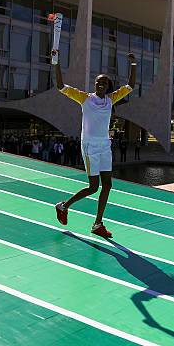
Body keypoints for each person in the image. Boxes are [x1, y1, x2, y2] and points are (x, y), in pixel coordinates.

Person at [53, 50, 137, 239]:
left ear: (108, 86)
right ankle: (63, 206)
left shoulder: (110, 100)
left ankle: (97, 224)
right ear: (95, 84)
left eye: (104, 83)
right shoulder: (85, 98)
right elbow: (60, 86)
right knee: (93, 187)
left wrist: (133, 65)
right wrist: (55, 62)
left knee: (107, 185)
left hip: (104, 146)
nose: (101, 84)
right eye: (98, 81)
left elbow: (131, 85)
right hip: (90, 146)